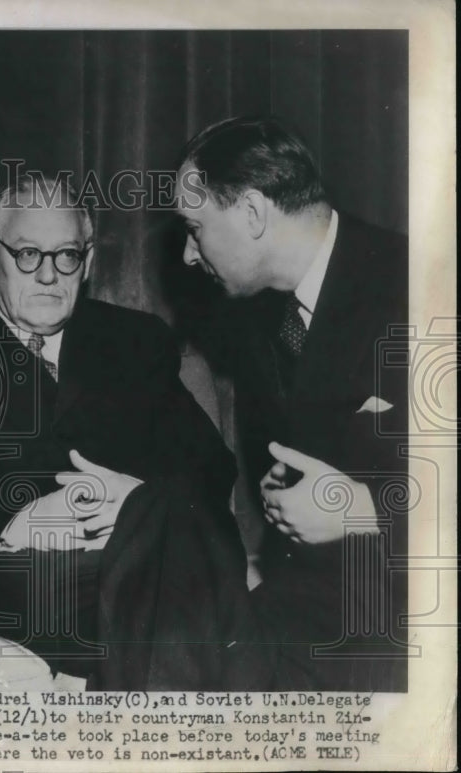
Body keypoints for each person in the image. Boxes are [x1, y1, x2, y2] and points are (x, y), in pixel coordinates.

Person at [0, 175, 238, 684]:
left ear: (87, 262)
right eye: (26, 254)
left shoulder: (135, 340)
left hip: (139, 552)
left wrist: (137, 504)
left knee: (175, 575)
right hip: (12, 570)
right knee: (178, 595)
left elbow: (209, 466)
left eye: (66, 255)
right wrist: (17, 521)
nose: (47, 274)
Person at [172, 115, 409, 690]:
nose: (186, 255)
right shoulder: (264, 315)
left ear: (253, 214)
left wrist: (363, 511)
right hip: (322, 601)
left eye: (195, 228)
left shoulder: (417, 282)